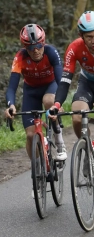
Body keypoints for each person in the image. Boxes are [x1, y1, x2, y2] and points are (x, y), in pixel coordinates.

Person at [49, 11, 94, 201]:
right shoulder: (74, 48)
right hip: (87, 83)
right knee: (76, 116)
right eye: (89, 37)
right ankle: (90, 147)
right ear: (82, 37)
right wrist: (57, 104)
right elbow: (65, 80)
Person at [5, 24, 67, 197]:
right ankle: (38, 170)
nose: (36, 50)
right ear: (25, 47)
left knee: (48, 100)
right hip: (31, 92)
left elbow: (61, 79)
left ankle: (59, 139)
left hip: (51, 86)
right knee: (31, 135)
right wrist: (11, 104)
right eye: (31, 47)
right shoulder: (20, 57)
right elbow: (11, 87)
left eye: (39, 45)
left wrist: (59, 102)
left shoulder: (51, 52)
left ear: (43, 43)